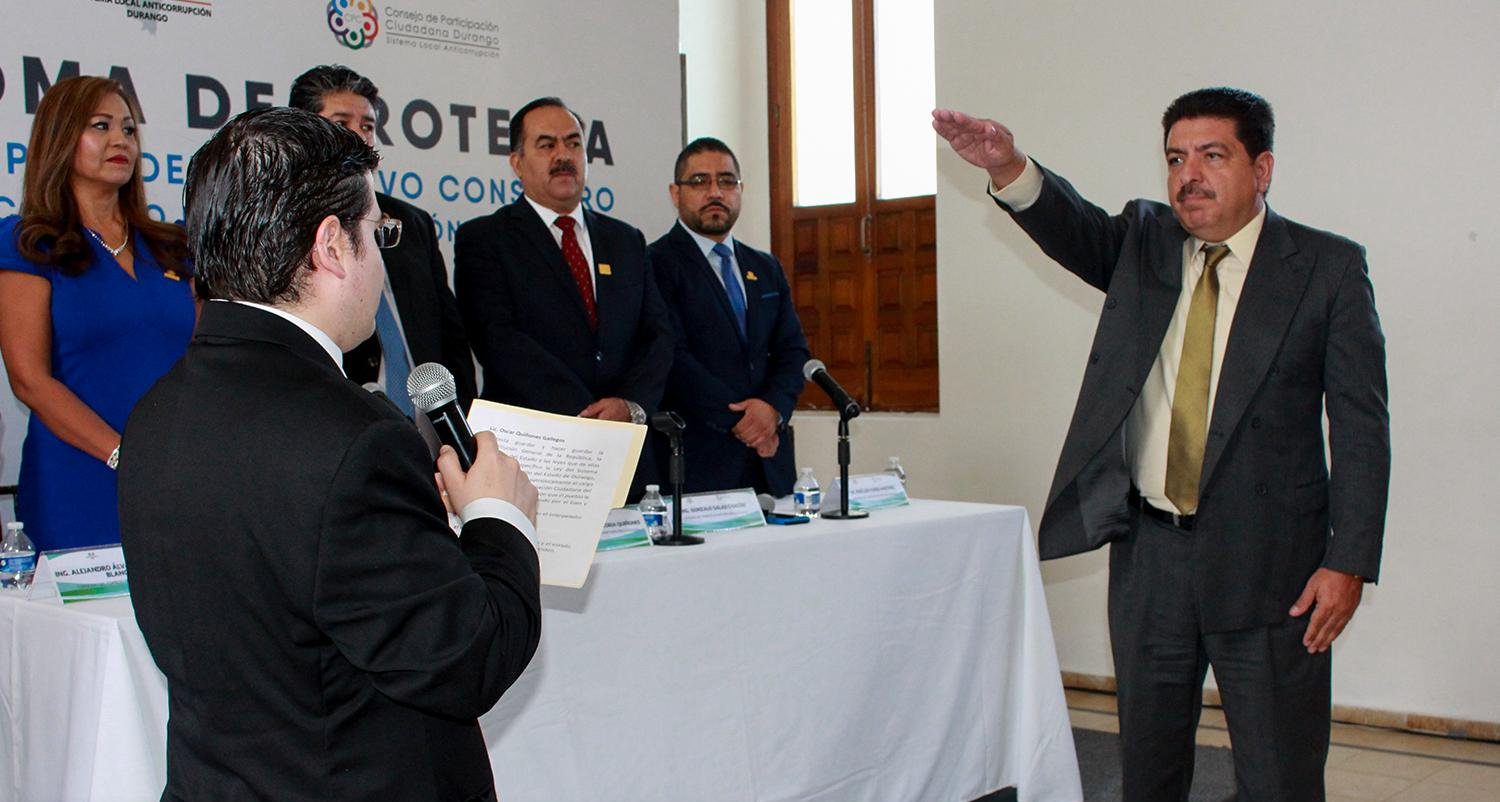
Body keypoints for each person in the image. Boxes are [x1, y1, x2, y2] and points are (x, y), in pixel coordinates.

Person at [933, 88, 1389, 801]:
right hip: (1151, 561)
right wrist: (1007, 166)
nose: (1189, 176)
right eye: (1176, 159)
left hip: (1272, 567)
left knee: (1280, 777)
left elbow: (1361, 428)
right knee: (1148, 772)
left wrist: (1348, 561)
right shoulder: (1145, 243)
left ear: (1262, 169)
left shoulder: (1325, 269)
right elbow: (1073, 226)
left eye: (1213, 156)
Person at [119, 107, 542, 802]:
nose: (382, 254)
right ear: (331, 246)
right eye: (377, 232)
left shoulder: (156, 413)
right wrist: (499, 518)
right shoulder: (357, 438)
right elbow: (468, 659)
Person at [0, 75, 195, 552]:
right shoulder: (28, 243)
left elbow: (207, 358)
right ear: (61, 137)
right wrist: (123, 456)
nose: (120, 141)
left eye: (128, 129)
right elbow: (29, 380)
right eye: (101, 126)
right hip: (78, 480)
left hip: (177, 479)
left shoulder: (171, 245)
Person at [454, 96, 672, 498]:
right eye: (546, 144)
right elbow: (496, 339)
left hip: (625, 449)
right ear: (517, 163)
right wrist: (586, 415)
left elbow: (657, 336)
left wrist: (629, 405)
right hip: (537, 455)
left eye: (573, 143)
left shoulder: (626, 240)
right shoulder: (485, 240)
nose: (563, 156)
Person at [288, 64, 478, 412]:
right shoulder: (288, 226)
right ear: (305, 132)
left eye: (367, 126)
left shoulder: (412, 222)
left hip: (431, 426)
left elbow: (450, 338)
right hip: (343, 419)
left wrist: (463, 416)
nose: (359, 137)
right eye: (342, 123)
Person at [648, 137, 809, 495]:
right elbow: (671, 358)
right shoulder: (654, 264)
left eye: (726, 181)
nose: (715, 192)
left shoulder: (765, 267)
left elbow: (793, 350)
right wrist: (743, 421)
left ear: (740, 190)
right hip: (700, 464)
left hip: (770, 460)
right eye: (699, 181)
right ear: (675, 193)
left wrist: (773, 410)